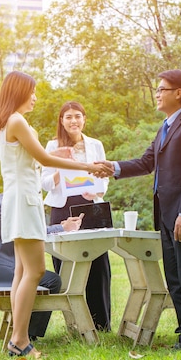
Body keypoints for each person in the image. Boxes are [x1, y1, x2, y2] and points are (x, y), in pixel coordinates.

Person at [0, 70, 108, 358]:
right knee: (36, 270)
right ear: (19, 92)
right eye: (32, 91)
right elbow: (43, 157)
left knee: (22, 270)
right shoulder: (17, 120)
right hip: (25, 202)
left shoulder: (8, 122)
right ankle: (20, 341)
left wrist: (62, 158)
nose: (35, 97)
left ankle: (17, 339)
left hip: (18, 200)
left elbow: (36, 159)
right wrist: (88, 167)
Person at [97, 69, 181, 354]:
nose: (157, 94)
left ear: (179, 93)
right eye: (157, 89)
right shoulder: (164, 128)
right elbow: (147, 162)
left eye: (162, 89)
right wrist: (113, 167)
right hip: (165, 215)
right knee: (174, 279)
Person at [41, 101, 112, 331]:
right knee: (66, 263)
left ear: (84, 119)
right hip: (62, 208)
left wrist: (99, 190)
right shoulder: (52, 145)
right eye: (68, 117)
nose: (73, 121)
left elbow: (105, 175)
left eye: (77, 116)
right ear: (61, 121)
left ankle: (101, 323)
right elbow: (43, 181)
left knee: (98, 263)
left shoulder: (95, 145)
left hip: (91, 205)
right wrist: (59, 172)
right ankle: (75, 323)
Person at [0, 193, 83, 340]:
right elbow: (27, 231)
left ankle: (27, 332)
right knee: (52, 281)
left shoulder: (8, 198)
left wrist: (62, 227)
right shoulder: (7, 202)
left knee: (47, 278)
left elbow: (29, 228)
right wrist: (62, 228)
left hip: (4, 264)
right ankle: (29, 334)